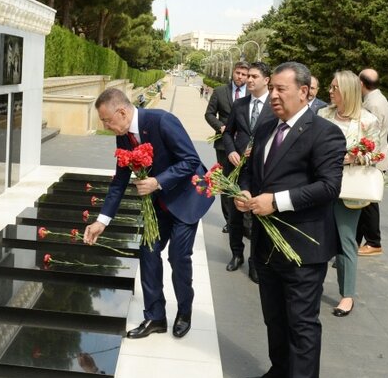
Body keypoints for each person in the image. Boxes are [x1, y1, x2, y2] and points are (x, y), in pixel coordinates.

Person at [234, 62, 345, 378]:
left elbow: (329, 187)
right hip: (266, 243)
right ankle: (279, 374)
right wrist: (246, 192)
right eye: (274, 89)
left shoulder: (325, 134)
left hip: (304, 246)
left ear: (305, 92)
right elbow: (252, 171)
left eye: (282, 89)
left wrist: (276, 201)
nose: (274, 96)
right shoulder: (265, 127)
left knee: (302, 325)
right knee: (274, 317)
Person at [84, 88, 214, 340]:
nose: (107, 127)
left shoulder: (162, 121)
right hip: (159, 204)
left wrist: (157, 182)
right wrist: (102, 221)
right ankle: (155, 316)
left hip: (186, 198)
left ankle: (184, 311)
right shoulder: (123, 134)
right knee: (148, 251)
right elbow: (120, 180)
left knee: (178, 256)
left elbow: (190, 160)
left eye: (107, 121)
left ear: (121, 112)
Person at [318, 70, 381, 316]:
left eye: (335, 87)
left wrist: (352, 156)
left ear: (348, 91)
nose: (330, 91)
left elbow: (375, 155)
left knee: (345, 242)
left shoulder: (367, 120)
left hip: (349, 189)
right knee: (318, 237)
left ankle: (347, 295)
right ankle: (311, 286)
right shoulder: (323, 114)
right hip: (320, 186)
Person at [221, 61, 272, 283]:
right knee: (235, 215)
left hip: (262, 170)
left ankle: (255, 262)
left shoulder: (275, 104)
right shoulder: (239, 104)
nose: (249, 80)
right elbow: (227, 132)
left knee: (257, 218)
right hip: (236, 168)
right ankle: (236, 254)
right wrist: (231, 150)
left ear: (266, 80)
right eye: (247, 76)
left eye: (254, 76)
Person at [205, 61, 249, 232]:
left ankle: (245, 222)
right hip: (224, 145)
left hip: (246, 147)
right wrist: (221, 127)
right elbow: (209, 114)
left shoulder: (251, 95)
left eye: (244, 74)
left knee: (244, 182)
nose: (240, 77)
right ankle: (230, 221)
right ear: (233, 73)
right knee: (226, 182)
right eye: (238, 73)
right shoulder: (219, 91)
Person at [357, 68, 388, 256]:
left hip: (373, 161)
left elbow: (373, 138)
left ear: (361, 83)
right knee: (365, 203)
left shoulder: (374, 104)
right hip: (373, 159)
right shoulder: (375, 99)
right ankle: (364, 240)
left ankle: (373, 242)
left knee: (369, 203)